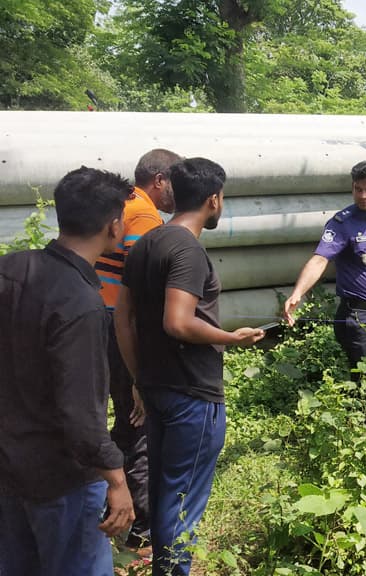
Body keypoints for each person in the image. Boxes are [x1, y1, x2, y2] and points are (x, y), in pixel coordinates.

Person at [115, 157, 266, 575]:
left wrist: (138, 380)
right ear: (213, 200)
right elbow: (178, 322)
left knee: (167, 492)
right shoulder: (188, 249)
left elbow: (122, 319)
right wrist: (231, 338)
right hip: (192, 395)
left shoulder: (146, 242)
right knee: (182, 502)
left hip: (158, 389)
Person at [0, 167, 135, 576]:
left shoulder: (11, 269)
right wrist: (116, 481)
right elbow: (81, 415)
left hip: (9, 467)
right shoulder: (81, 303)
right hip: (63, 480)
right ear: (113, 226)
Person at [96, 148, 182, 555]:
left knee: (118, 419)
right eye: (173, 183)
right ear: (159, 180)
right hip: (118, 327)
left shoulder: (118, 203)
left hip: (96, 320)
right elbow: (147, 291)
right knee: (139, 419)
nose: (176, 194)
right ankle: (142, 528)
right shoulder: (145, 215)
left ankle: (111, 506)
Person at [283, 160, 366, 399]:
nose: (363, 195)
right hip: (358, 315)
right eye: (358, 189)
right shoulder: (342, 223)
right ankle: (363, 429)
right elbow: (319, 260)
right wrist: (297, 293)